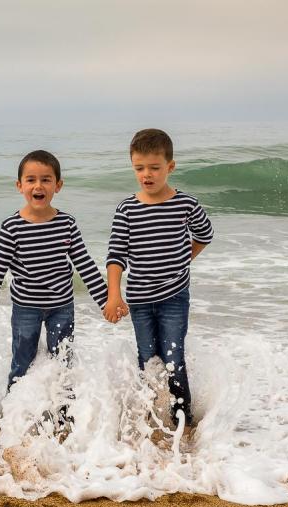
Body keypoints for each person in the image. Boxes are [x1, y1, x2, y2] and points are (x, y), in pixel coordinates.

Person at [103, 128, 214, 432]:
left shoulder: (186, 204)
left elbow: (205, 235)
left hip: (174, 297)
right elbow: (116, 256)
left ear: (170, 166)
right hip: (139, 299)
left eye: (154, 167)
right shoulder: (127, 209)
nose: (146, 174)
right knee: (148, 361)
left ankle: (183, 422)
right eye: (139, 168)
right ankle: (153, 420)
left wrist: (183, 260)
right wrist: (114, 296)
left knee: (173, 357)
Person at [0, 150, 108, 391]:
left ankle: (63, 414)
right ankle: (15, 411)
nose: (38, 185)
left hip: (61, 305)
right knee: (22, 360)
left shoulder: (67, 224)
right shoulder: (12, 227)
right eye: (31, 180)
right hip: (26, 307)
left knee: (62, 360)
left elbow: (84, 264)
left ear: (58, 185)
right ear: (19, 185)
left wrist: (106, 300)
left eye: (46, 179)